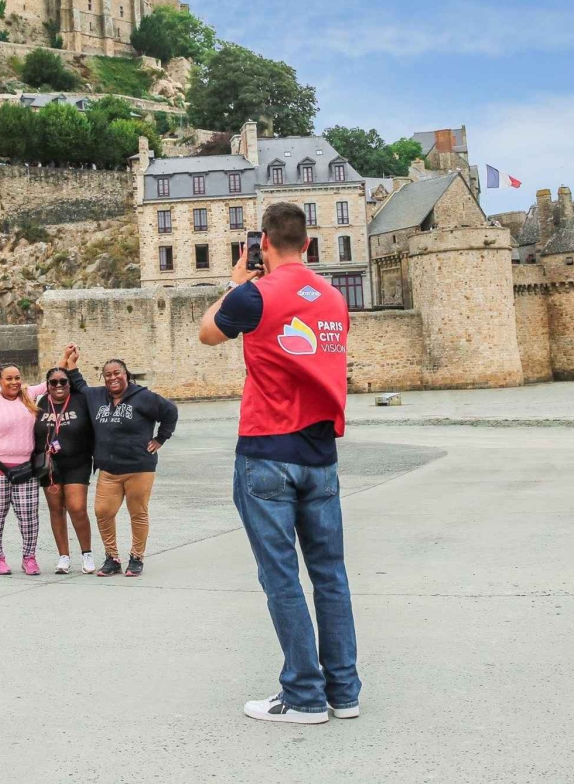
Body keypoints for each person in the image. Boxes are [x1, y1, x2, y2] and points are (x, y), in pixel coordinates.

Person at [199, 201, 360, 724]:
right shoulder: (335, 299)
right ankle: (343, 691)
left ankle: (304, 695)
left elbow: (208, 332)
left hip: (268, 450)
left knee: (281, 577)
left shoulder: (253, 295)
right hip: (321, 454)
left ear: (262, 243)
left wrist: (234, 282)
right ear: (308, 244)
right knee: (330, 575)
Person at [69, 356, 177, 579]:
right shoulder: (96, 396)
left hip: (139, 467)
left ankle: (136, 557)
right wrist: (71, 362)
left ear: (126, 374)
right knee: (103, 512)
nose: (112, 378)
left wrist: (160, 439)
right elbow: (77, 384)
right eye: (108, 374)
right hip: (109, 469)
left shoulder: (143, 397)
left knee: (138, 513)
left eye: (117, 373)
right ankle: (112, 558)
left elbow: (170, 412)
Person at [0, 363, 54, 575]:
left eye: (17, 377)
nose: (14, 382)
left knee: (29, 515)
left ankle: (29, 557)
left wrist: (67, 359)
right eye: (9, 378)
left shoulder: (27, 396)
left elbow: (48, 383)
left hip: (26, 468)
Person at [36, 355, 96, 575]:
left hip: (78, 462)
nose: (59, 385)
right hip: (49, 465)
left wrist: (71, 363)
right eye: (54, 382)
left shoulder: (81, 400)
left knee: (77, 508)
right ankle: (63, 555)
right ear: (47, 386)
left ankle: (86, 553)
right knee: (56, 510)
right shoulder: (40, 402)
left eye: (63, 382)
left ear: (69, 384)